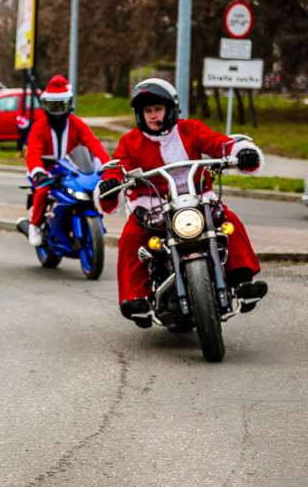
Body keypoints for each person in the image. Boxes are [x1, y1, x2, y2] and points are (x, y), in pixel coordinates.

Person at [97, 78, 267, 324]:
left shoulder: (191, 129)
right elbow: (118, 167)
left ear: (170, 109)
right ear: (139, 114)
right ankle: (137, 298)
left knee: (229, 220)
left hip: (198, 200)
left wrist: (239, 152)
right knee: (131, 237)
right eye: (148, 111)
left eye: (158, 109)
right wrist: (110, 184)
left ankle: (242, 281)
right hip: (152, 207)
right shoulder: (130, 142)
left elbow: (216, 142)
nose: (153, 116)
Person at [24, 75, 110, 246]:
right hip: (44, 169)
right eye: (53, 105)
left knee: (90, 188)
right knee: (42, 190)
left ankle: (94, 220)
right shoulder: (39, 127)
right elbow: (33, 153)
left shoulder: (77, 124)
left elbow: (93, 143)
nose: (57, 110)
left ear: (68, 104)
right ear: (45, 105)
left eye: (60, 105)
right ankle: (35, 226)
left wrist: (107, 164)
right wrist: (38, 172)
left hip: (69, 167)